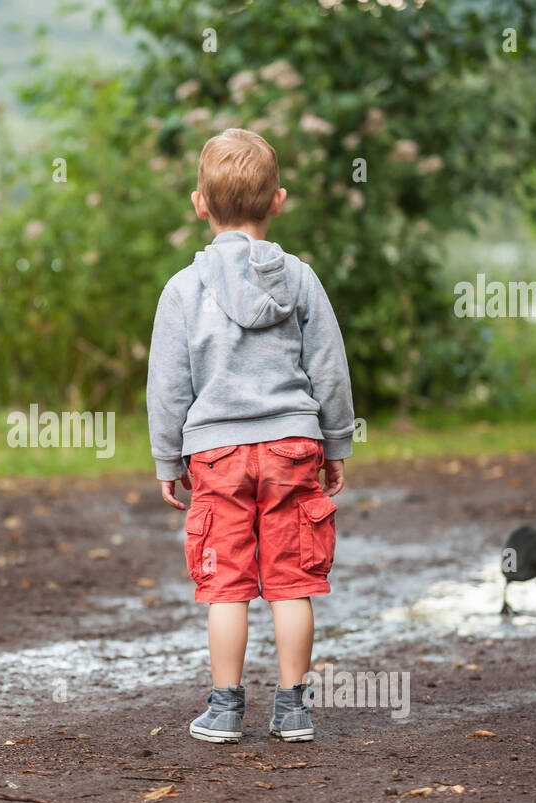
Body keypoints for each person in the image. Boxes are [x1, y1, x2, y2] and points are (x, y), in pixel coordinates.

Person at [146, 128, 355, 743]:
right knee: (292, 581)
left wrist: (167, 457)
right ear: (278, 201)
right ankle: (293, 710)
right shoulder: (300, 280)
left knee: (227, 584)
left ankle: (225, 707)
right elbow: (329, 369)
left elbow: (167, 385)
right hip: (293, 445)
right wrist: (336, 442)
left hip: (217, 453)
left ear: (199, 204)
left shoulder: (183, 289)